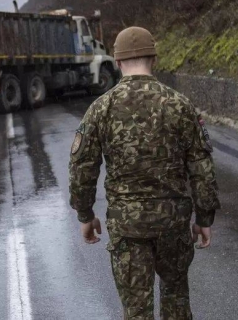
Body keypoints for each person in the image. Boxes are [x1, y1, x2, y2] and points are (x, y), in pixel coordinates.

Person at [68, 27, 220, 319]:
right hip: (173, 224)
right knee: (177, 300)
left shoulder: (101, 108)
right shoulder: (179, 104)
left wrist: (86, 215)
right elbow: (201, 166)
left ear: (117, 61)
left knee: (136, 311)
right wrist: (203, 218)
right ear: (154, 57)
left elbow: (82, 166)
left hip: (128, 228)